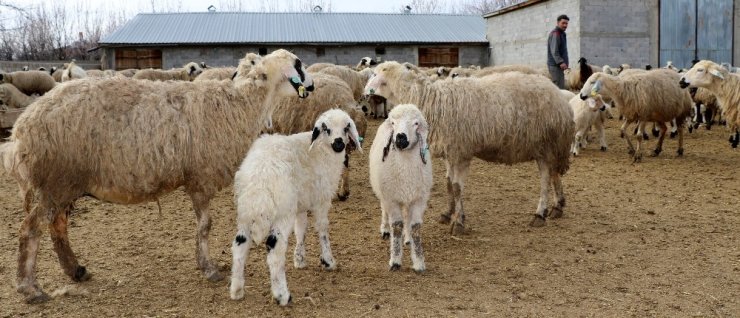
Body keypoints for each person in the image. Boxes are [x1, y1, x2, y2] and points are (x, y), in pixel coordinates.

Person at [547, 14, 569, 89]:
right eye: (563, 23)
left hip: (559, 66)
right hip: (555, 65)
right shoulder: (555, 33)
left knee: (561, 86)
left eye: (566, 23)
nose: (565, 25)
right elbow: (554, 50)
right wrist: (561, 62)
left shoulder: (562, 34)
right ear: (558, 23)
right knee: (557, 87)